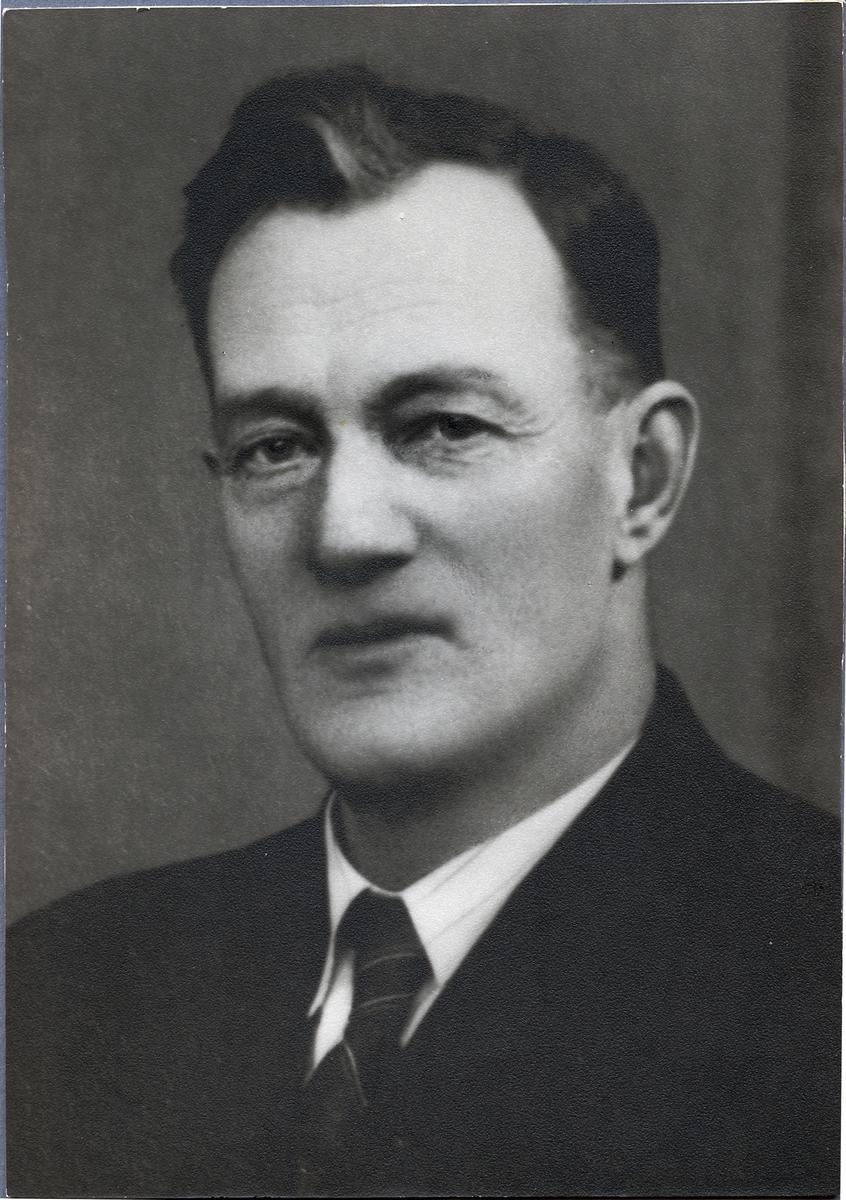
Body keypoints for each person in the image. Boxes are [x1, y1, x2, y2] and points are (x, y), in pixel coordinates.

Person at [7, 66, 839, 1198]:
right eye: (275, 448)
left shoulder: (820, 986)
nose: (345, 532)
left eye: (444, 426)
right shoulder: (56, 998)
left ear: (642, 478)